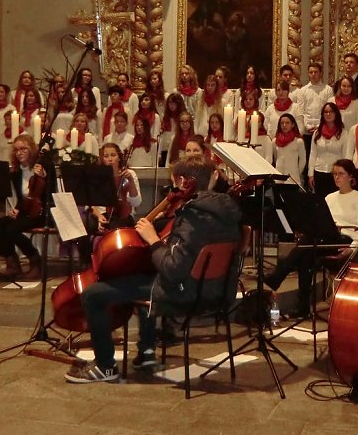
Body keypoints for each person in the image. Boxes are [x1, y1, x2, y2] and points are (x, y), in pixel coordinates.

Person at [66, 156, 242, 383]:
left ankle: (105, 367)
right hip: (216, 290)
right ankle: (146, 352)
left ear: (181, 180)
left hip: (185, 292)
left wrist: (153, 241)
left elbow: (172, 269)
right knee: (143, 275)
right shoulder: (225, 211)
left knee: (93, 295)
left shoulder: (193, 216)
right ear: (214, 177)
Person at [264, 159, 358, 319]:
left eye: (341, 174)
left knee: (306, 244)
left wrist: (352, 249)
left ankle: (278, 277)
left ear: (351, 176)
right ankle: (303, 308)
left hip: (344, 240)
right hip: (324, 237)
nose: (337, 178)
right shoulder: (329, 198)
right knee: (305, 254)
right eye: (335, 174)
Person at [0, 134, 46, 280]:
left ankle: (35, 260)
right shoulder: (16, 172)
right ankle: (13, 265)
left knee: (11, 229)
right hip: (26, 210)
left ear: (31, 150)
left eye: (23, 149)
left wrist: (45, 176)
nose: (19, 153)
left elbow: (48, 193)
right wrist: (16, 209)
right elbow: (23, 198)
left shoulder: (42, 167)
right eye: (16, 150)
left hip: (41, 211)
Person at [88, 142, 142, 233]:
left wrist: (131, 181)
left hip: (125, 215)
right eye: (106, 156)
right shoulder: (97, 176)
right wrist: (99, 216)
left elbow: (136, 203)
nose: (110, 159)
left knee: (116, 225)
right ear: (102, 159)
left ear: (119, 157)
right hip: (102, 214)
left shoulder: (130, 174)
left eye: (113, 155)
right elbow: (89, 203)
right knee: (89, 226)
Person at [308, 102, 347, 198]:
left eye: (331, 112)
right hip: (319, 172)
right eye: (326, 112)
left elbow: (345, 155)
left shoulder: (343, 133)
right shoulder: (317, 133)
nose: (328, 114)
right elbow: (313, 154)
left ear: (336, 114)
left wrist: (344, 175)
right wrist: (310, 175)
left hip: (336, 174)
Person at [273, 113, 305, 186]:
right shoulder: (274, 141)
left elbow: (303, 160)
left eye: (287, 123)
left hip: (293, 179)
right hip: (278, 178)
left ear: (292, 125)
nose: (284, 125)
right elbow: (275, 157)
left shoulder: (298, 141)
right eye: (282, 123)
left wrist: (297, 172)